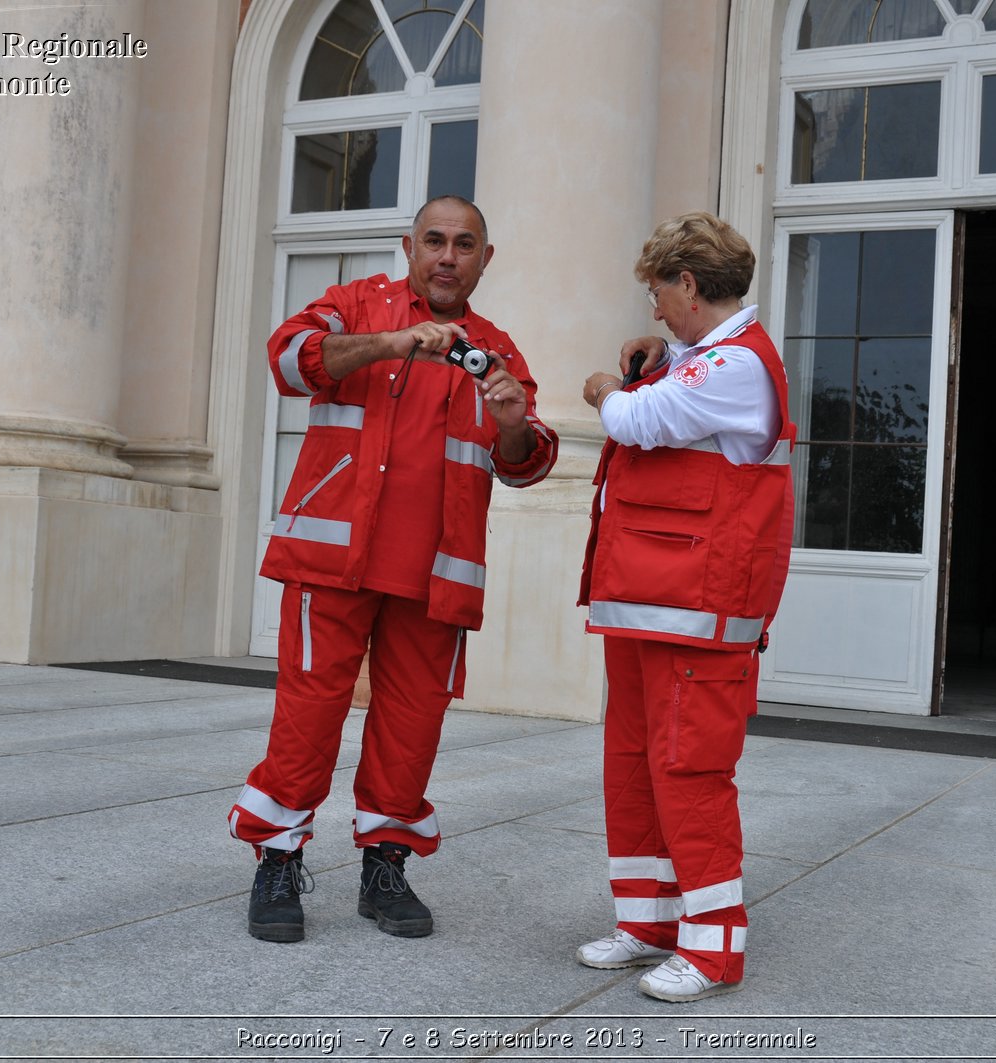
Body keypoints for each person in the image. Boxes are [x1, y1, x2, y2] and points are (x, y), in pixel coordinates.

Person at [230, 195, 558, 943]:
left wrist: (512, 424)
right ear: (408, 247)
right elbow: (288, 358)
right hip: (331, 557)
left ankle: (386, 864)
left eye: (465, 244)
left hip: (436, 575)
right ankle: (277, 858)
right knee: (307, 717)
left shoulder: (498, 349)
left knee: (413, 725)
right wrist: (392, 343)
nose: (448, 255)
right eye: (435, 240)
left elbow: (528, 463)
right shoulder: (354, 304)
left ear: (485, 259)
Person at [575, 211, 794, 1002]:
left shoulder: (737, 365)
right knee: (632, 767)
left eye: (658, 294)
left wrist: (608, 387)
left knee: (691, 773)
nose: (654, 310)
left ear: (690, 285)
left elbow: (640, 418)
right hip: (649, 606)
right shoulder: (707, 357)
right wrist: (667, 354)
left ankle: (713, 948)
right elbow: (678, 389)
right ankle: (648, 924)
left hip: (697, 618)